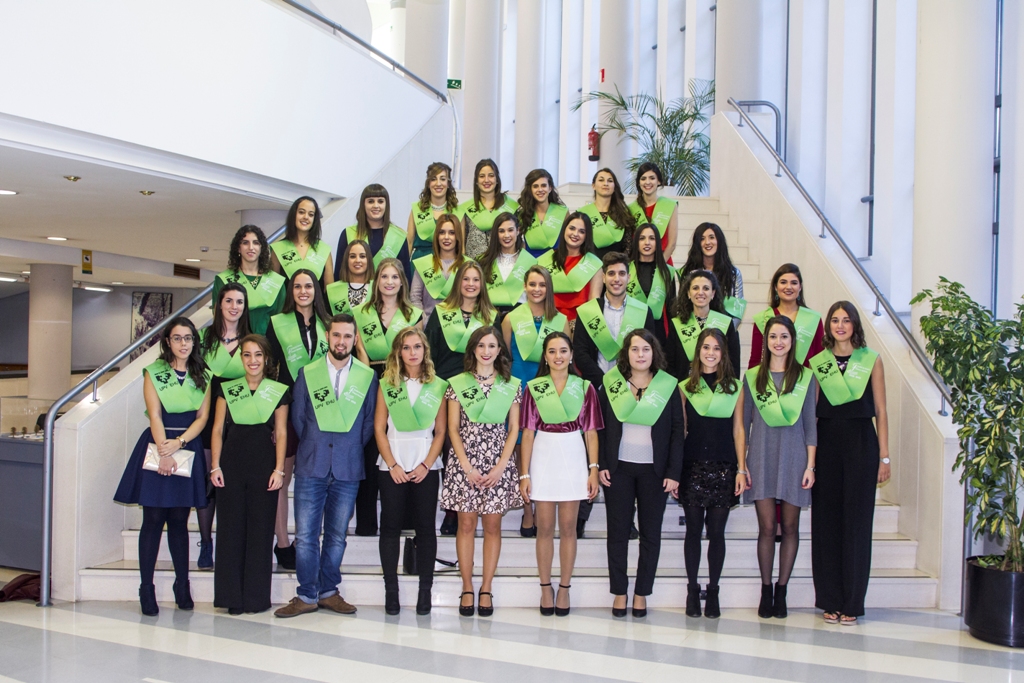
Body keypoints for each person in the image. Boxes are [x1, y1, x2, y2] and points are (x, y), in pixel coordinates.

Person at [274, 313, 379, 618]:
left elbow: (368, 422)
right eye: (336, 335)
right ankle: (306, 594)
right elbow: (299, 418)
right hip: (312, 464)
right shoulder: (308, 374)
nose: (341, 341)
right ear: (327, 337)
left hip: (348, 465)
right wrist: (317, 445)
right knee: (306, 536)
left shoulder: (367, 377)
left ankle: (329, 592)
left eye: (347, 336)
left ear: (355, 340)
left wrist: (347, 446)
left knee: (336, 536)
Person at [113, 317, 211, 616]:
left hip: (186, 444)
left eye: (188, 338)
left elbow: (202, 418)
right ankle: (146, 588)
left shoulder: (204, 374)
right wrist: (163, 451)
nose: (183, 343)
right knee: (153, 519)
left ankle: (182, 585)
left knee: (180, 520)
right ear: (167, 341)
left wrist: (179, 443)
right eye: (177, 338)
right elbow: (154, 414)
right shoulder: (154, 372)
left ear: (194, 342)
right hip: (158, 444)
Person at [810, 301, 890, 625]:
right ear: (828, 325)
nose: (840, 326)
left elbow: (881, 411)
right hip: (827, 445)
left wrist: (885, 456)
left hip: (861, 444)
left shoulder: (871, 360)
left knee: (856, 525)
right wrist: (809, 459)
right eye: (835, 320)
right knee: (826, 523)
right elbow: (813, 414)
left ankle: (853, 602)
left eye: (846, 320)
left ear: (855, 324)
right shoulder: (819, 363)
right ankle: (829, 599)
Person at [598, 329, 683, 618]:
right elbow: (601, 427)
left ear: (654, 352)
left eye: (646, 349)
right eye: (634, 349)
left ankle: (641, 593)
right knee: (617, 532)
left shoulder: (667, 386)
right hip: (618, 468)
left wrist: (673, 471)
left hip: (654, 472)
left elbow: (677, 431)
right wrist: (602, 463)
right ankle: (620, 592)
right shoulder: (613, 384)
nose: (640, 354)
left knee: (650, 534)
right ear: (626, 353)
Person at [441, 326, 524, 617]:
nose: (486, 351)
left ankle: (486, 588)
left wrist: (501, 467)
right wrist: (466, 466)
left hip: (498, 464)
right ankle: (466, 586)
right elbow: (452, 428)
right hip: (465, 463)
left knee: (492, 527)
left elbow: (514, 429)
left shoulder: (511, 385)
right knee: (465, 525)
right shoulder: (457, 383)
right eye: (481, 346)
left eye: (492, 346)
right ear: (473, 349)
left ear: (500, 350)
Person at [519, 332, 603, 616]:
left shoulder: (585, 387)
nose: (558, 356)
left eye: (563, 350)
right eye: (552, 351)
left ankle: (564, 588)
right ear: (545, 356)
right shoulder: (534, 388)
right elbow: (527, 434)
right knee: (544, 528)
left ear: (571, 355)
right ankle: (545, 588)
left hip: (573, 454)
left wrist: (593, 469)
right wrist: (524, 474)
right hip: (543, 453)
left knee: (568, 528)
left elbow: (591, 433)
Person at [743, 315, 818, 619]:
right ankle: (765, 590)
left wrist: (811, 465)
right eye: (773, 336)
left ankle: (782, 590)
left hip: (795, 458)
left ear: (792, 341)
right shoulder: (753, 377)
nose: (778, 342)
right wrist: (742, 465)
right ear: (766, 341)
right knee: (766, 527)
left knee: (789, 527)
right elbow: (742, 425)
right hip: (761, 457)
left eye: (784, 336)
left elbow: (810, 424)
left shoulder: (805, 378)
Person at [209, 334, 290, 615]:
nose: (252, 360)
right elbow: (217, 430)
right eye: (247, 355)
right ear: (240, 358)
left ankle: (256, 598)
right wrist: (215, 466)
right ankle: (231, 598)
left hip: (264, 466)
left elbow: (281, 432)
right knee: (230, 531)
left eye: (258, 355)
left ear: (266, 359)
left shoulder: (278, 391)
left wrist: (279, 469)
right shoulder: (227, 389)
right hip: (231, 466)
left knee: (260, 531)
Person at [374, 327, 448, 615]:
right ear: (398, 352)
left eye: (417, 346)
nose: (412, 352)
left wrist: (426, 464)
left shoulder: (437, 386)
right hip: (392, 463)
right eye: (406, 347)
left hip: (425, 464)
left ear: (425, 350)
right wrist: (392, 464)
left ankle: (425, 592)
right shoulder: (387, 384)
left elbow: (440, 432)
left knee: (426, 528)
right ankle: (391, 591)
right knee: (390, 527)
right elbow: (379, 429)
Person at [677, 328, 747, 619]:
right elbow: (681, 431)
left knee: (716, 532)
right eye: (706, 347)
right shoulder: (685, 387)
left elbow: (739, 429)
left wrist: (741, 468)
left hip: (724, 466)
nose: (711, 353)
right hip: (692, 466)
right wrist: (675, 471)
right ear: (698, 351)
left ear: (723, 353)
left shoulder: (734, 387)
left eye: (716, 348)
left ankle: (713, 591)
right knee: (693, 531)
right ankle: (692, 590)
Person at [352, 257, 423, 536]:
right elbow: (359, 351)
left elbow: (416, 352)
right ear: (376, 281)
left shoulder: (413, 314)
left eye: (395, 277)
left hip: (402, 382)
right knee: (370, 447)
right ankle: (367, 522)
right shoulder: (362, 313)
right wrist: (368, 375)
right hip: (368, 378)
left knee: (401, 441)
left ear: (402, 282)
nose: (389, 282)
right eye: (384, 277)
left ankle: (405, 519)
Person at [265, 268, 331, 567]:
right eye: (297, 286)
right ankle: (282, 542)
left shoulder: (328, 324)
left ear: (316, 290)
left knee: (319, 478)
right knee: (281, 476)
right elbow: (269, 369)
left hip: (322, 410)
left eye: (308, 286)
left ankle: (307, 538)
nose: (303, 291)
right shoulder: (277, 323)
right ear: (291, 292)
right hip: (287, 408)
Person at [501, 265, 568, 537]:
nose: (537, 289)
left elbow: (564, 359)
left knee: (544, 447)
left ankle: (542, 505)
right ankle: (527, 509)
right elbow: (505, 357)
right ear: (524, 286)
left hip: (549, 388)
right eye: (532, 284)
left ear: (548, 288)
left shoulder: (561, 320)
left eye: (542, 284)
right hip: (519, 387)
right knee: (521, 449)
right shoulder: (510, 319)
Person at [195, 284, 251, 570]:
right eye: (229, 301)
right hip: (207, 419)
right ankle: (206, 542)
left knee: (233, 485)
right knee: (209, 482)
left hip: (241, 420)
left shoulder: (252, 340)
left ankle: (231, 544)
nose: (234, 306)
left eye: (239, 302)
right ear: (219, 305)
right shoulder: (204, 339)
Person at [573, 252, 656, 388]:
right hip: (597, 386)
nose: (616, 279)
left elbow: (650, 351)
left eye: (622, 273)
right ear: (603, 277)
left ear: (628, 278)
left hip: (633, 386)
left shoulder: (644, 311)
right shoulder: (587, 311)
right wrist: (603, 383)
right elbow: (581, 353)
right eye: (611, 273)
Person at [424, 260, 498, 381]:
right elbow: (429, 352)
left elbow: (499, 357)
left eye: (476, 280)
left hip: (479, 385)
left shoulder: (491, 316)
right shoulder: (440, 312)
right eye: (465, 279)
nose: (471, 284)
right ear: (458, 281)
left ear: (482, 284)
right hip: (444, 382)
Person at [748, 263, 824, 369]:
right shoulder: (763, 319)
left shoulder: (813, 319)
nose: (788, 287)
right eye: (783, 282)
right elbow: (755, 360)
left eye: (794, 283)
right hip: (771, 378)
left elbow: (820, 358)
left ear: (800, 287)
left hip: (805, 378)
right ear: (775, 287)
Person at [213, 225, 286, 335]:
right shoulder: (223, 280)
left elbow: (281, 319)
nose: (251, 247)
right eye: (245, 243)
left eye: (256, 243)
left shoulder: (276, 281)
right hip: (235, 341)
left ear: (261, 248)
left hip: (269, 342)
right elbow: (218, 318)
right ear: (238, 248)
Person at [667, 270, 741, 378]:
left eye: (706, 288)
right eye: (695, 288)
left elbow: (734, 364)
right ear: (688, 293)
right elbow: (670, 364)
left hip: (718, 385)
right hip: (685, 385)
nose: (700, 292)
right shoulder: (677, 324)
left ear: (713, 293)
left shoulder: (725, 323)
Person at [536, 212, 604, 329]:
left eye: (582, 231)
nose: (575, 234)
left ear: (587, 236)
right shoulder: (547, 259)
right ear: (564, 229)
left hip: (580, 323)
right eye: (572, 228)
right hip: (549, 321)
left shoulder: (593, 264)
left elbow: (593, 301)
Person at [336, 184, 412, 281]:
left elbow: (405, 276)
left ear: (386, 205)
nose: (376, 206)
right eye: (370, 201)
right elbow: (339, 272)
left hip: (388, 290)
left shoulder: (398, 236)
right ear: (363, 204)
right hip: (354, 289)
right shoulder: (348, 233)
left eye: (380, 201)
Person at [679, 222, 745, 319]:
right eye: (702, 239)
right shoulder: (688, 273)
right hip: (694, 326)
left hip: (724, 326)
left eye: (711, 237)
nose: (707, 242)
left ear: (719, 241)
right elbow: (682, 306)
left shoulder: (733, 274)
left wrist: (727, 328)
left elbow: (738, 313)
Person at [456, 159, 519, 258]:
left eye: (491, 175)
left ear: (497, 179)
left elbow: (518, 241)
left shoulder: (511, 206)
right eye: (482, 176)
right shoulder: (466, 209)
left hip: (503, 263)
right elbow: (462, 248)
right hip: (474, 264)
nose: (486, 180)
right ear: (476, 181)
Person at [626, 223, 677, 345]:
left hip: (658, 331)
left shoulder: (666, 271)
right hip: (630, 327)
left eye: (652, 238)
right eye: (642, 238)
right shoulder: (626, 269)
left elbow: (671, 309)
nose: (647, 243)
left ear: (657, 243)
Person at [270, 196, 335, 290]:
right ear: (294, 215)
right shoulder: (278, 248)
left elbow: (329, 290)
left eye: (311, 214)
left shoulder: (324, 249)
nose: (306, 217)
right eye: (301, 212)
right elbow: (273, 289)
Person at [478, 212, 536, 316]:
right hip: (490, 315)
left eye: (510, 230)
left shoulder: (530, 262)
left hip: (520, 316)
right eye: (501, 231)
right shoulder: (483, 261)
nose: (506, 235)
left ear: (517, 231)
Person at [410, 213, 465, 320]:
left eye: (452, 233)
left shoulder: (467, 265)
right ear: (437, 236)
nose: (446, 237)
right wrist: (423, 322)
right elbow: (415, 298)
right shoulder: (424, 264)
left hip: (459, 325)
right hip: (428, 325)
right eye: (442, 232)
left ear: (458, 236)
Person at [578, 168, 635, 258]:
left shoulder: (623, 214)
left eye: (610, 181)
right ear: (593, 185)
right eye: (601, 180)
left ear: (614, 187)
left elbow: (628, 247)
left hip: (616, 265)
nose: (606, 183)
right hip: (589, 264)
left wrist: (618, 264)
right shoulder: (582, 213)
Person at [407, 161, 459, 260]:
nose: (438, 183)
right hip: (420, 263)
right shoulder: (417, 209)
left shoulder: (457, 211)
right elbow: (409, 242)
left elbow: (461, 247)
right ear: (428, 183)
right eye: (433, 179)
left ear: (448, 183)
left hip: (448, 262)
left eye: (442, 179)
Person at [627, 162, 678, 262]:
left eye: (652, 178)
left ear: (659, 181)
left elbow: (672, 244)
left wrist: (659, 266)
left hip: (663, 261)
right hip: (638, 264)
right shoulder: (631, 209)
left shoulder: (670, 205)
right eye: (643, 178)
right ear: (638, 183)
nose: (647, 182)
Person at [516, 168, 567, 258]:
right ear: (530, 189)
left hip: (556, 262)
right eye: (535, 186)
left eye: (543, 185)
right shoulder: (522, 214)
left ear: (550, 188)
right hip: (531, 263)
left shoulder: (563, 212)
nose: (540, 189)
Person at [326, 239, 374, 316]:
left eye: (362, 256)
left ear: (368, 260)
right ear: (346, 260)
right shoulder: (333, 290)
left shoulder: (377, 288)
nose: (357, 260)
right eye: (352, 256)